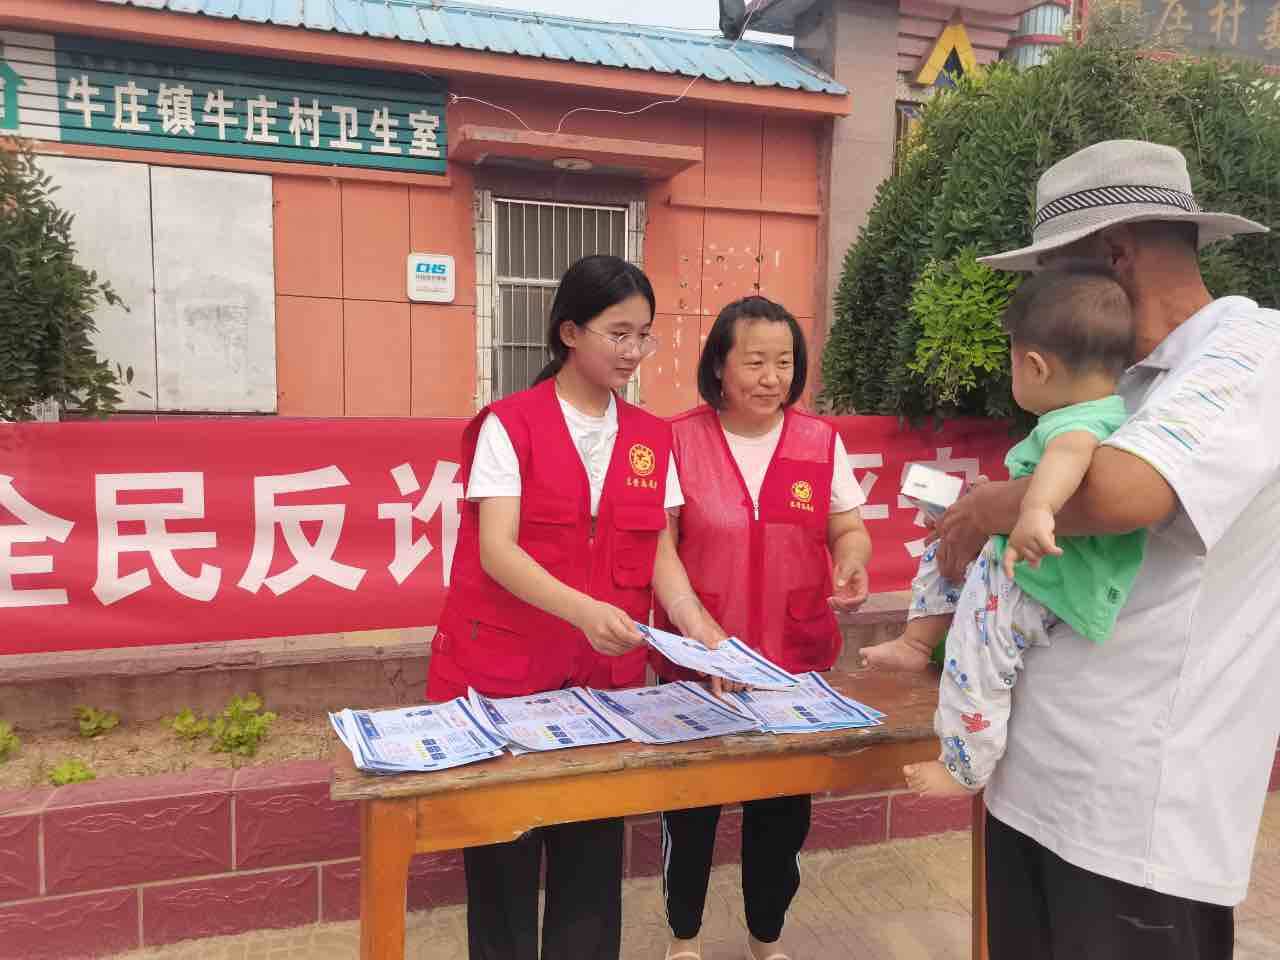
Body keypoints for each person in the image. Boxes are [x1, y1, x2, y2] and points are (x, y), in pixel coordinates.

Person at [935, 140, 1278, 958]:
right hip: (1038, 787)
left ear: (1116, 254)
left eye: (1053, 274)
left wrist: (985, 509)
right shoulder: (1124, 378)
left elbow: (1126, 493)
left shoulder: (1248, 349)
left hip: (1135, 823)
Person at [427, 255, 727, 960]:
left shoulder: (651, 437)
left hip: (602, 686)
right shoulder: (510, 425)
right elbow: (498, 549)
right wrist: (585, 611)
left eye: (644, 335)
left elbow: (659, 554)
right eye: (618, 333)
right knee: (503, 866)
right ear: (569, 332)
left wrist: (703, 631)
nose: (633, 351)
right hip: (506, 678)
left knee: (591, 868)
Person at [863, 265, 1146, 799]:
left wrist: (1035, 510)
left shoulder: (1075, 426)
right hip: (1026, 564)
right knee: (947, 544)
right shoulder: (1107, 411)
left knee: (975, 657)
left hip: (1037, 579)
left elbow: (1066, 461)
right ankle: (916, 640)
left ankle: (964, 768)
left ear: (1035, 366)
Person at [650, 296, 873, 960]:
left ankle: (765, 939)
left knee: (781, 820)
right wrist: (697, 630)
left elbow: (847, 526)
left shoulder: (818, 441)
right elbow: (659, 548)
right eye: (754, 362)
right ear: (719, 365)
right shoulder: (677, 440)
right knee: (690, 814)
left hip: (791, 664)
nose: (772, 377)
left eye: (784, 362)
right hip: (699, 667)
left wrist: (852, 559)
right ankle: (684, 939)